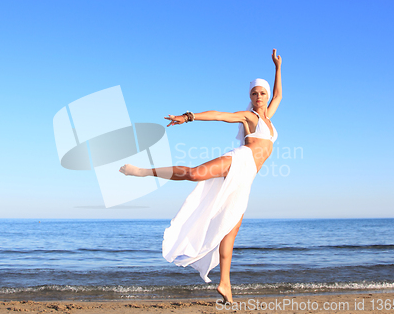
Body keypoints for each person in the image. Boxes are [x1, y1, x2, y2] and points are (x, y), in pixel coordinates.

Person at [119, 49, 282, 303]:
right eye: (254, 93)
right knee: (195, 174)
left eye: (262, 93)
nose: (259, 97)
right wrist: (189, 117)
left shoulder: (269, 117)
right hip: (240, 160)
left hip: (247, 177)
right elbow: (219, 115)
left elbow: (280, 94)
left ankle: (225, 284)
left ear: (267, 95)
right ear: (249, 97)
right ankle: (142, 171)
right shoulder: (249, 116)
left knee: (230, 229)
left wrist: (277, 67)